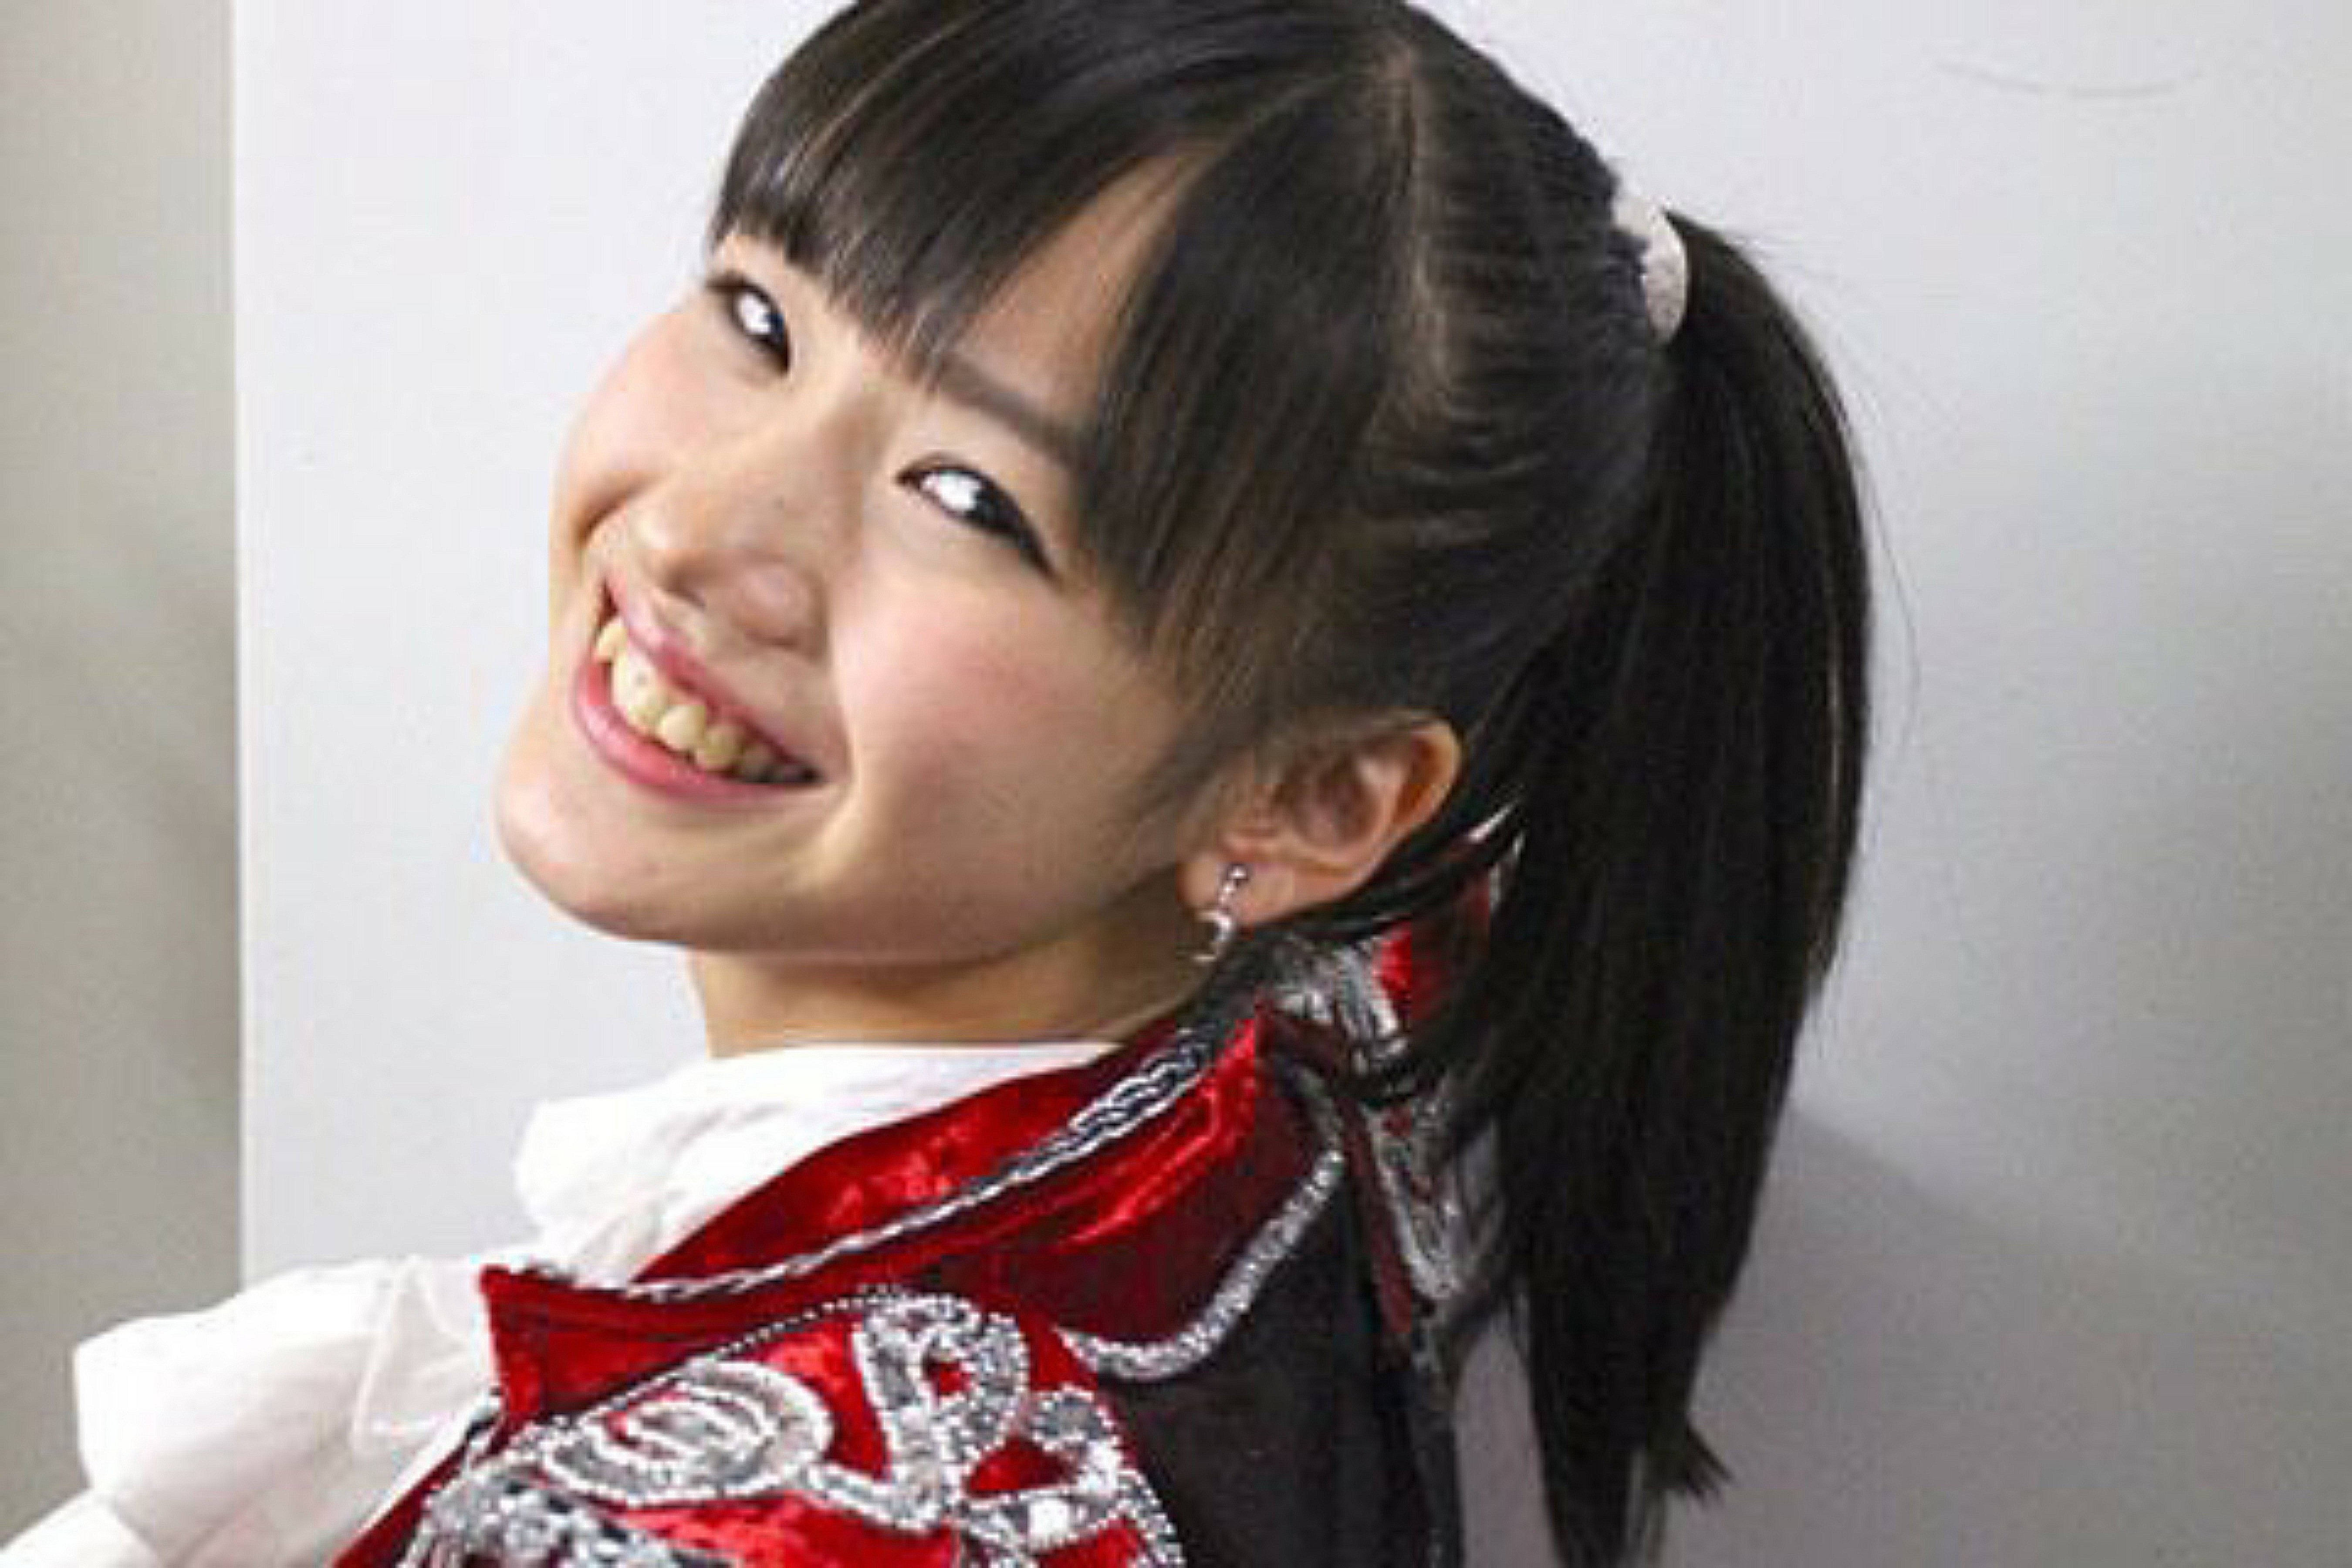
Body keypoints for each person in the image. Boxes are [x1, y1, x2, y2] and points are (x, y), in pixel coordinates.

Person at [3, 1, 1872, 1563]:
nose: (702, 533)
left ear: (1310, 801)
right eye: (760, 322)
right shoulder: (1338, 1026)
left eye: (971, 500)